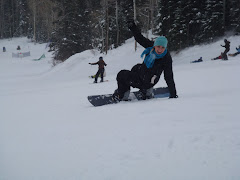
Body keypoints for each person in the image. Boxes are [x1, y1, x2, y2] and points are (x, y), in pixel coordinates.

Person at [112, 20, 178, 101]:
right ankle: (146, 91)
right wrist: (133, 27)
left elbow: (168, 76)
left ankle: (122, 95)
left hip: (146, 81)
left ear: (165, 48)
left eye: (162, 47)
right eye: (158, 47)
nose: (160, 50)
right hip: (147, 79)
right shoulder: (151, 46)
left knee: (121, 75)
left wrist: (173, 94)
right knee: (136, 67)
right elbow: (139, 38)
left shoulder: (166, 58)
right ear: (155, 45)